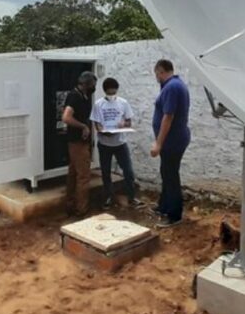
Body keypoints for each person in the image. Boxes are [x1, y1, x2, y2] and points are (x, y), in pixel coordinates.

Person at [150, 59, 190, 228]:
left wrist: (158, 144)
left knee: (171, 175)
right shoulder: (174, 85)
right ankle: (164, 206)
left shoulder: (172, 87)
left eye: (156, 74)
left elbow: (168, 116)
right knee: (166, 172)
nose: (156, 78)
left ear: (161, 71)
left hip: (172, 141)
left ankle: (174, 215)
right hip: (173, 139)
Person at [91, 77, 142, 209]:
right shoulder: (98, 104)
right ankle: (108, 197)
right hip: (104, 144)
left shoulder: (123, 103)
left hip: (120, 143)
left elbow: (129, 121)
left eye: (114, 92)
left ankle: (131, 197)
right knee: (106, 172)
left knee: (128, 171)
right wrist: (102, 131)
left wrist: (123, 123)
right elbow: (96, 124)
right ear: (105, 91)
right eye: (109, 93)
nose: (112, 95)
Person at [62, 71, 97, 216]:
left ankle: (70, 205)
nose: (94, 88)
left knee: (73, 173)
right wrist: (83, 126)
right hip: (77, 142)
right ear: (85, 85)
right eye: (92, 85)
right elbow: (66, 117)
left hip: (79, 142)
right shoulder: (75, 96)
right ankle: (82, 210)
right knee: (83, 176)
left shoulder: (83, 96)